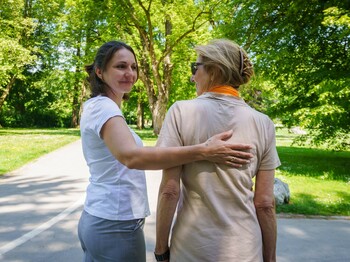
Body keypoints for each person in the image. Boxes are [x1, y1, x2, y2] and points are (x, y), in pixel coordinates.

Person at [77, 40, 254, 262]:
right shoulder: (103, 107)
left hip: (106, 218)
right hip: (114, 222)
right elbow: (131, 157)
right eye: (120, 66)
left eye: (133, 67)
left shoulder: (103, 106)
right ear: (100, 72)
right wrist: (203, 151)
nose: (129, 73)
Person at [155, 39, 281, 262]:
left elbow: (169, 191)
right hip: (244, 250)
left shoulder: (181, 112)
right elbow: (264, 203)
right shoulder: (263, 123)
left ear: (214, 70)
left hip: (191, 249)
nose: (193, 76)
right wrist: (270, 258)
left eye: (196, 68)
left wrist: (161, 249)